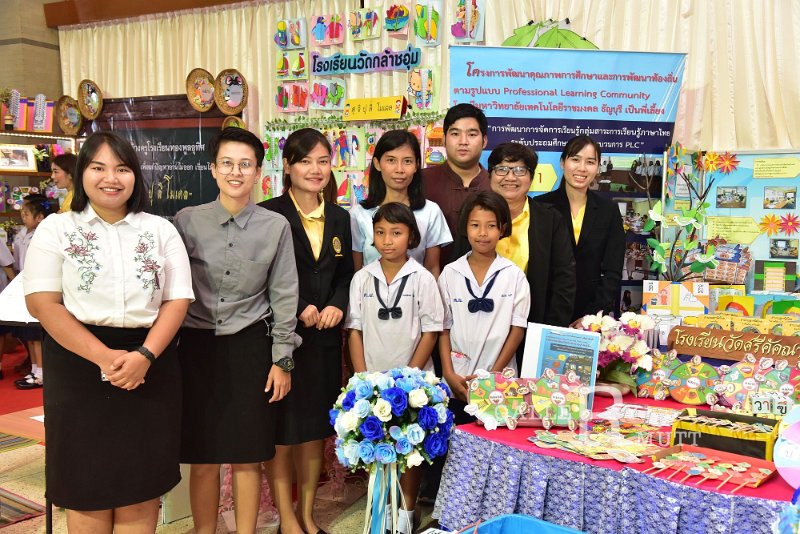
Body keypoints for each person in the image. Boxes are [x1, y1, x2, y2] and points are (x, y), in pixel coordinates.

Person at [22, 131, 194, 532]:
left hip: (150, 364)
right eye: (98, 168)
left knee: (141, 482)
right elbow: (43, 303)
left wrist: (145, 356)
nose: (111, 178)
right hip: (78, 366)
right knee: (86, 483)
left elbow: (177, 300)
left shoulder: (160, 230)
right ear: (83, 172)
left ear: (135, 176)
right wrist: (104, 358)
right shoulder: (56, 229)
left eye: (122, 169)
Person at [173, 127, 299, 534]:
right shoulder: (186, 221)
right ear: (213, 169)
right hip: (196, 349)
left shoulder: (276, 226)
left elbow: (285, 295)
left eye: (245, 165)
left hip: (250, 348)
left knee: (248, 456)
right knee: (203, 457)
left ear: (258, 172)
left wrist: (282, 360)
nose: (235, 172)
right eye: (227, 163)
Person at [260, 128, 354, 534]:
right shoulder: (268, 213)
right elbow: (263, 275)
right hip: (281, 340)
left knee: (315, 431)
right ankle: (287, 518)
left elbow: (345, 274)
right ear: (287, 166)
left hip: (325, 340)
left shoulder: (340, 217)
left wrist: (337, 304)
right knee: (282, 432)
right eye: (305, 161)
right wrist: (299, 307)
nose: (315, 170)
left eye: (322, 161)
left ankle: (308, 515)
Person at [345, 202, 444, 534]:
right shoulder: (362, 278)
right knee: (377, 447)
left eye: (396, 233)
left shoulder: (422, 278)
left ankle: (407, 512)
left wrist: (408, 380)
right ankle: (381, 512)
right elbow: (354, 330)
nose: (387, 240)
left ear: (411, 237)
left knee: (410, 450)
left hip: (412, 383)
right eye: (380, 233)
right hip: (372, 380)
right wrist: (362, 378)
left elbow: (431, 331)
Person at [438, 191, 530, 422]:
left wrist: (493, 377)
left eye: (491, 226)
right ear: (465, 227)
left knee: (496, 439)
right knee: (455, 436)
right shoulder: (450, 273)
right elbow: (443, 328)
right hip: (458, 381)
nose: (482, 233)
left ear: (502, 228)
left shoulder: (514, 276)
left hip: (500, 383)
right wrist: (448, 373)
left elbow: (517, 329)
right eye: (475, 225)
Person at [536, 135, 625, 323]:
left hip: (589, 315)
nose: (582, 168)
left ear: (598, 167)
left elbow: (613, 271)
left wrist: (591, 316)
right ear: (562, 162)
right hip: (545, 313)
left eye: (590, 162)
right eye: (575, 159)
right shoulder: (541, 206)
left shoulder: (608, 210)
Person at [350, 129, 451, 277]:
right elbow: (356, 272)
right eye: (391, 160)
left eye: (407, 161)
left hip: (417, 291)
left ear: (416, 165)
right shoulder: (358, 214)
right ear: (377, 164)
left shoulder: (430, 211)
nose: (399, 169)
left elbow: (432, 270)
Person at [422, 103, 490, 267]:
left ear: (484, 141)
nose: (463, 141)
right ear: (444, 139)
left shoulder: (496, 184)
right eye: (455, 134)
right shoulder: (420, 181)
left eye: (472, 134)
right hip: (429, 278)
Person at [13, 194, 58, 390]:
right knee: (27, 333)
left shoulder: (44, 234)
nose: (23, 217)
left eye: (27, 213)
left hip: (40, 286)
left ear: (40, 217)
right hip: (24, 284)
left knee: (36, 332)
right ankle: (34, 368)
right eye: (22, 213)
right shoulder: (22, 234)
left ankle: (41, 372)